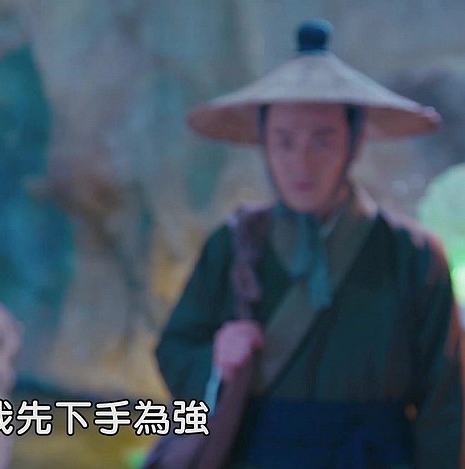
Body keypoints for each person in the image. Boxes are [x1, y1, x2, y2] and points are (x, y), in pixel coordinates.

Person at [156, 20, 463, 468]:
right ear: (264, 143)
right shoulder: (234, 245)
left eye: (323, 140)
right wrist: (216, 360)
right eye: (284, 142)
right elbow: (175, 349)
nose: (302, 162)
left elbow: (446, 403)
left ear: (354, 142)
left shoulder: (413, 255)